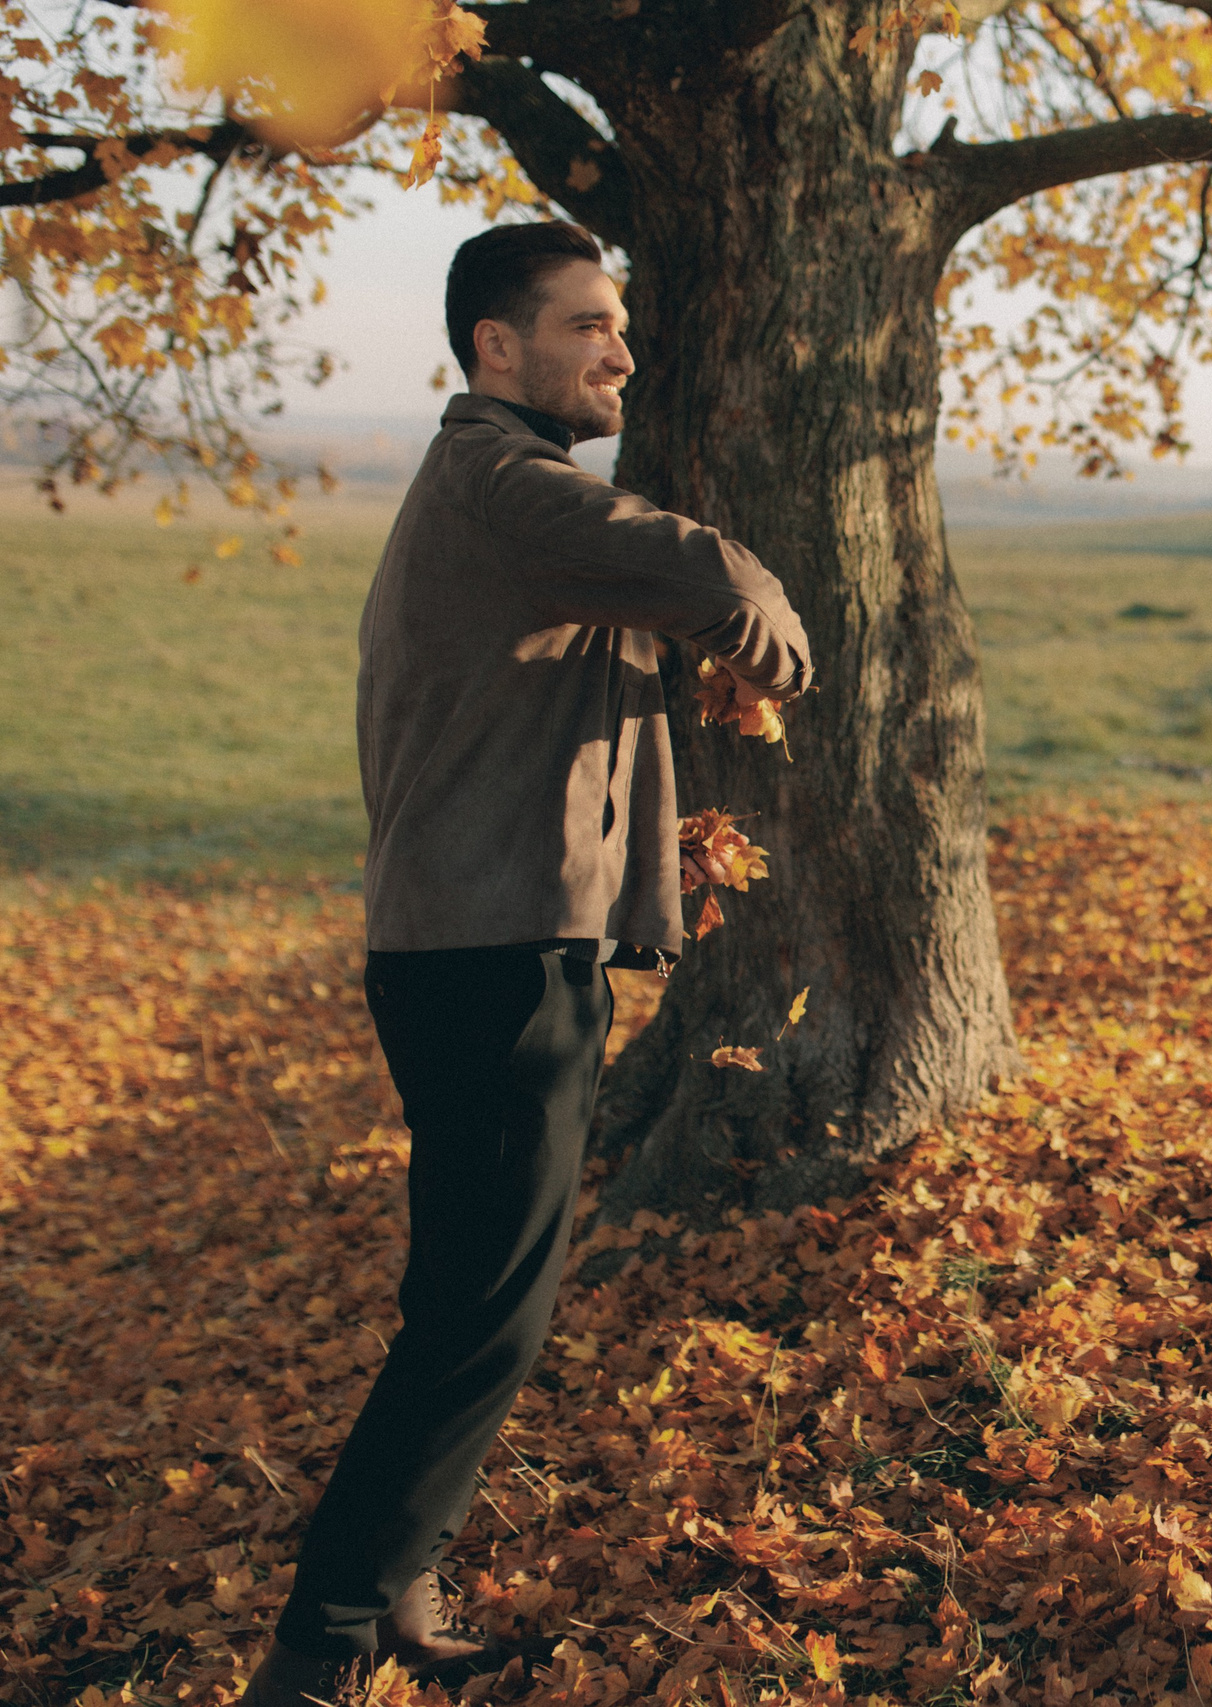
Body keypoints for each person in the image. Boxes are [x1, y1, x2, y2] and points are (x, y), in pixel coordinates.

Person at [244, 221, 813, 1705]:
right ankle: (317, 1652)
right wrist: (759, 614)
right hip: (487, 954)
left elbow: (621, 621)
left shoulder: (508, 496)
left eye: (619, 328)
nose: (619, 353)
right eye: (585, 327)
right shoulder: (501, 478)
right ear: (498, 347)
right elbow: (695, 566)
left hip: (487, 942)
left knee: (471, 1299)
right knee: (483, 1314)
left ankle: (394, 1589)